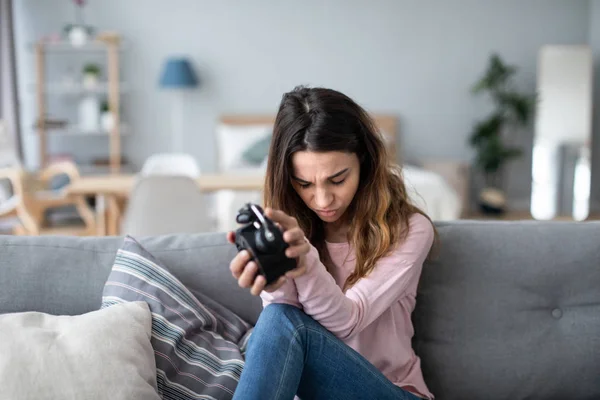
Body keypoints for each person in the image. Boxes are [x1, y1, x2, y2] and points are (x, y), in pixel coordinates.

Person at [226, 86, 436, 400]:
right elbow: (284, 321)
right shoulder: (295, 229)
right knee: (276, 317)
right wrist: (273, 270)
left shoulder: (410, 230)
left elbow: (348, 320)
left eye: (337, 179)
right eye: (304, 184)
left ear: (364, 162)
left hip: (393, 392)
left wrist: (304, 260)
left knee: (280, 322)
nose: (322, 200)